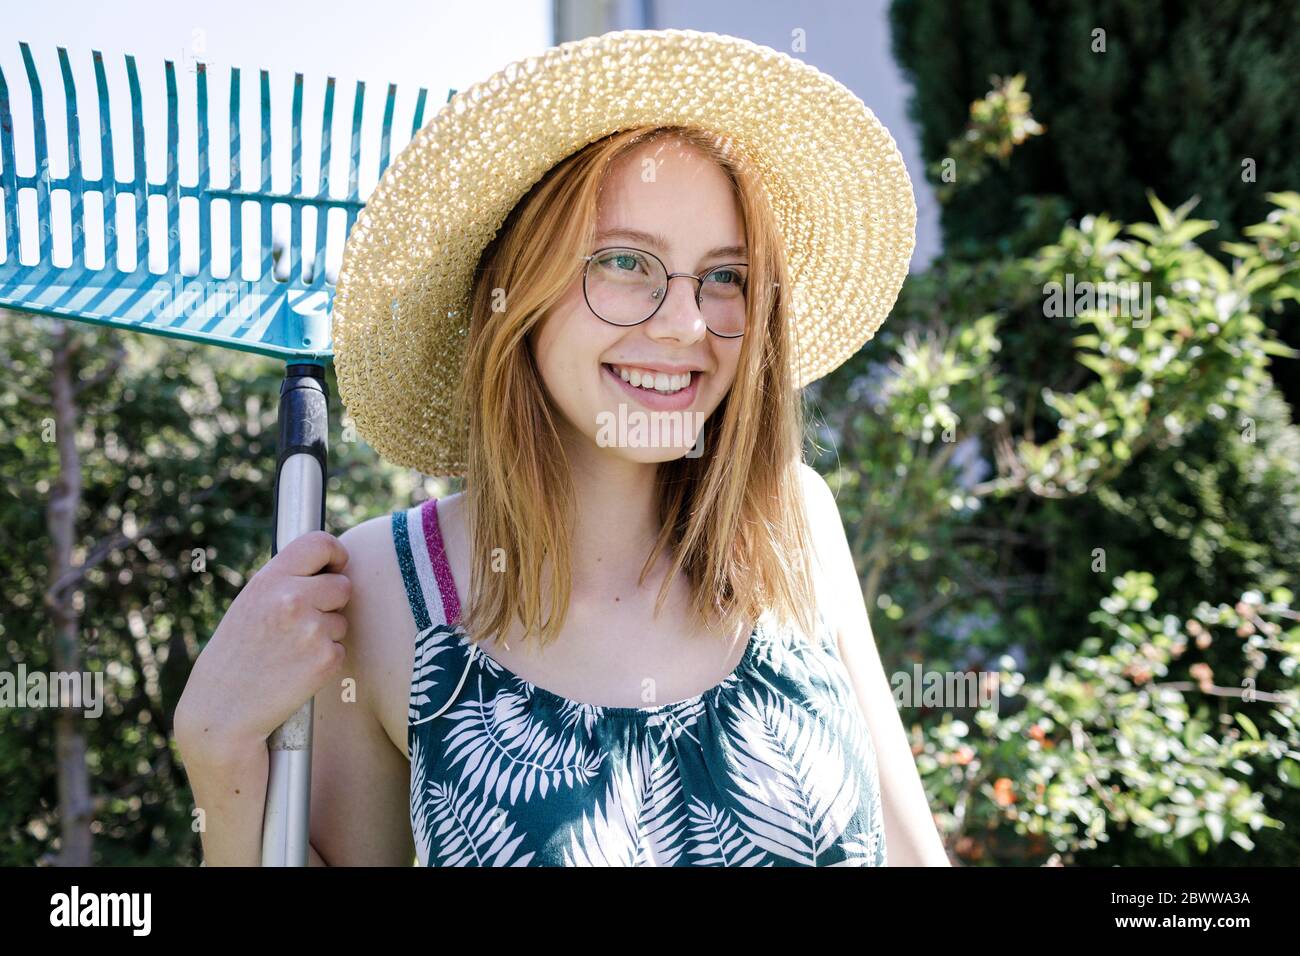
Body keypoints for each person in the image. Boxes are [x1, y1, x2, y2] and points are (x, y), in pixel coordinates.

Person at [174, 28, 949, 866]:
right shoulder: (383, 595)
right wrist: (219, 759)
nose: (688, 324)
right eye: (625, 262)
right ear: (517, 294)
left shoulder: (793, 525)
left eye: (725, 276)